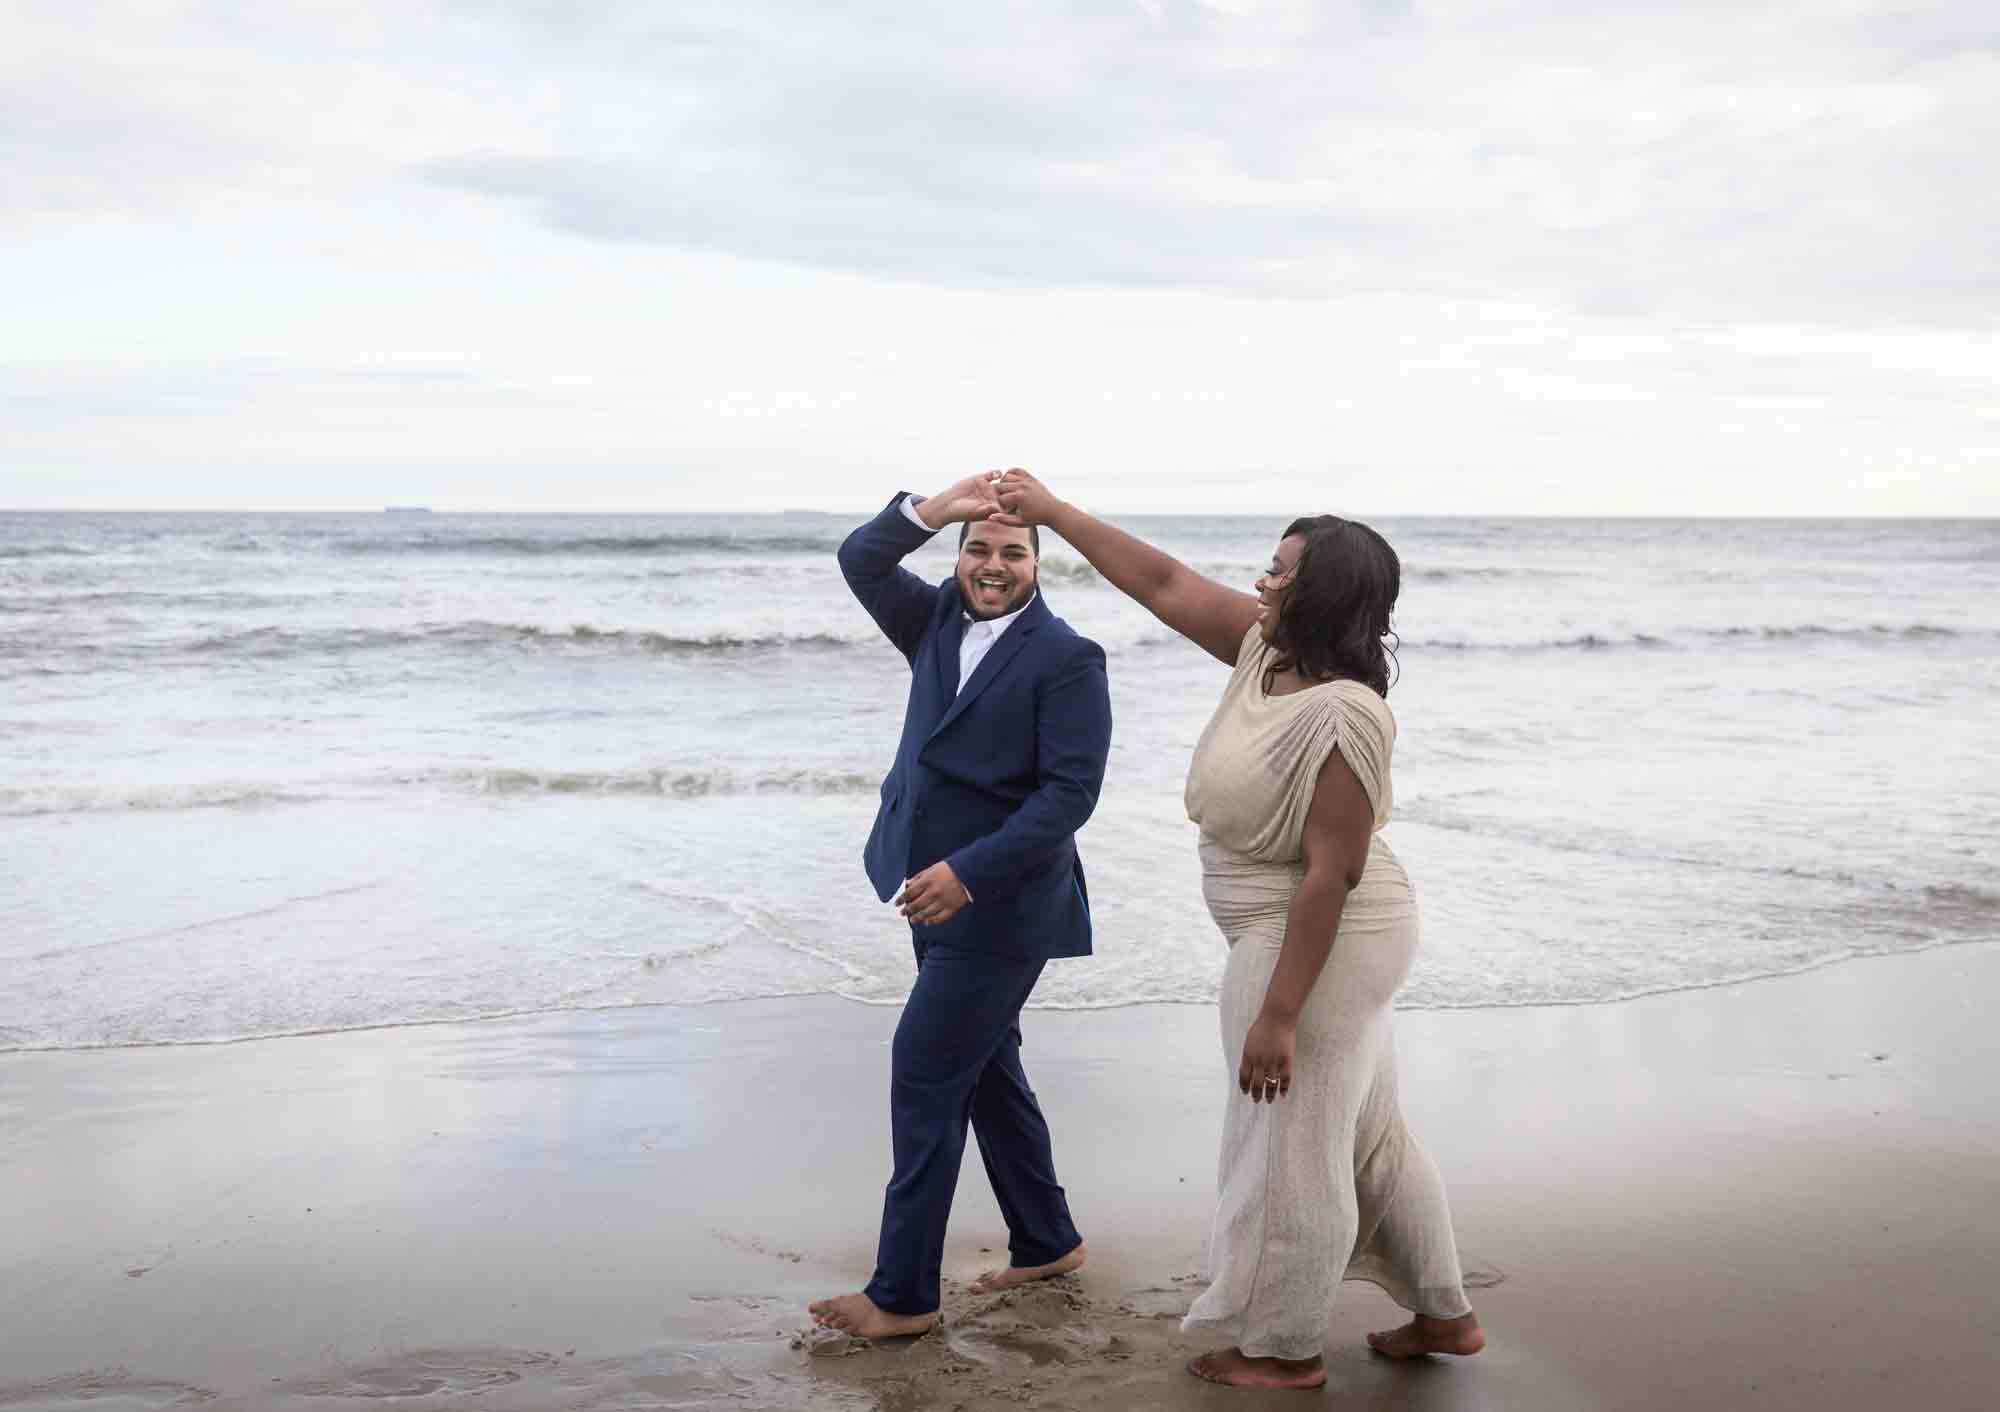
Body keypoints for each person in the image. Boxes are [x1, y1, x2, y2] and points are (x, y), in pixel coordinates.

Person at [991, 469, 1484, 1391]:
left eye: (1282, 572)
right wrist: (1055, 513)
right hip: (1296, 931)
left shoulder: (1345, 713)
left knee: (1286, 1143)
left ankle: (1285, 1347)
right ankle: (1444, 1313)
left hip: (1318, 939)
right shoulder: (1266, 653)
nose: (1263, 582)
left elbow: (1331, 875)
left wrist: (1281, 1015)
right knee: (1368, 1133)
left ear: (1321, 592)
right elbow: (1166, 584)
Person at [809, 473, 1112, 1340]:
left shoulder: (1068, 658)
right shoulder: (936, 619)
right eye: (978, 549)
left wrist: (968, 873)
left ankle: (902, 1296)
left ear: (1038, 564)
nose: (992, 565)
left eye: (1012, 552)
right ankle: (1047, 1238)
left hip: (1003, 904)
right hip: (928, 893)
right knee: (983, 1071)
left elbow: (1067, 797)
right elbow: (860, 559)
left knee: (925, 1074)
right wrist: (937, 509)